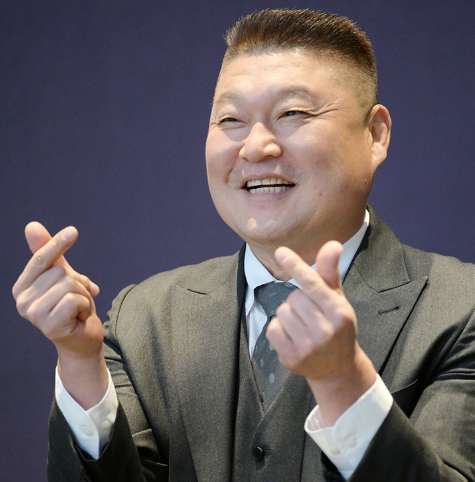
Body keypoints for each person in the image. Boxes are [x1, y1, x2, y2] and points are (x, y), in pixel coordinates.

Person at [12, 8, 475, 482]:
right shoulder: (144, 320)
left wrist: (342, 381)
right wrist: (79, 362)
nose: (255, 146)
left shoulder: (461, 311)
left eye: (292, 113)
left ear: (375, 135)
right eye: (231, 119)